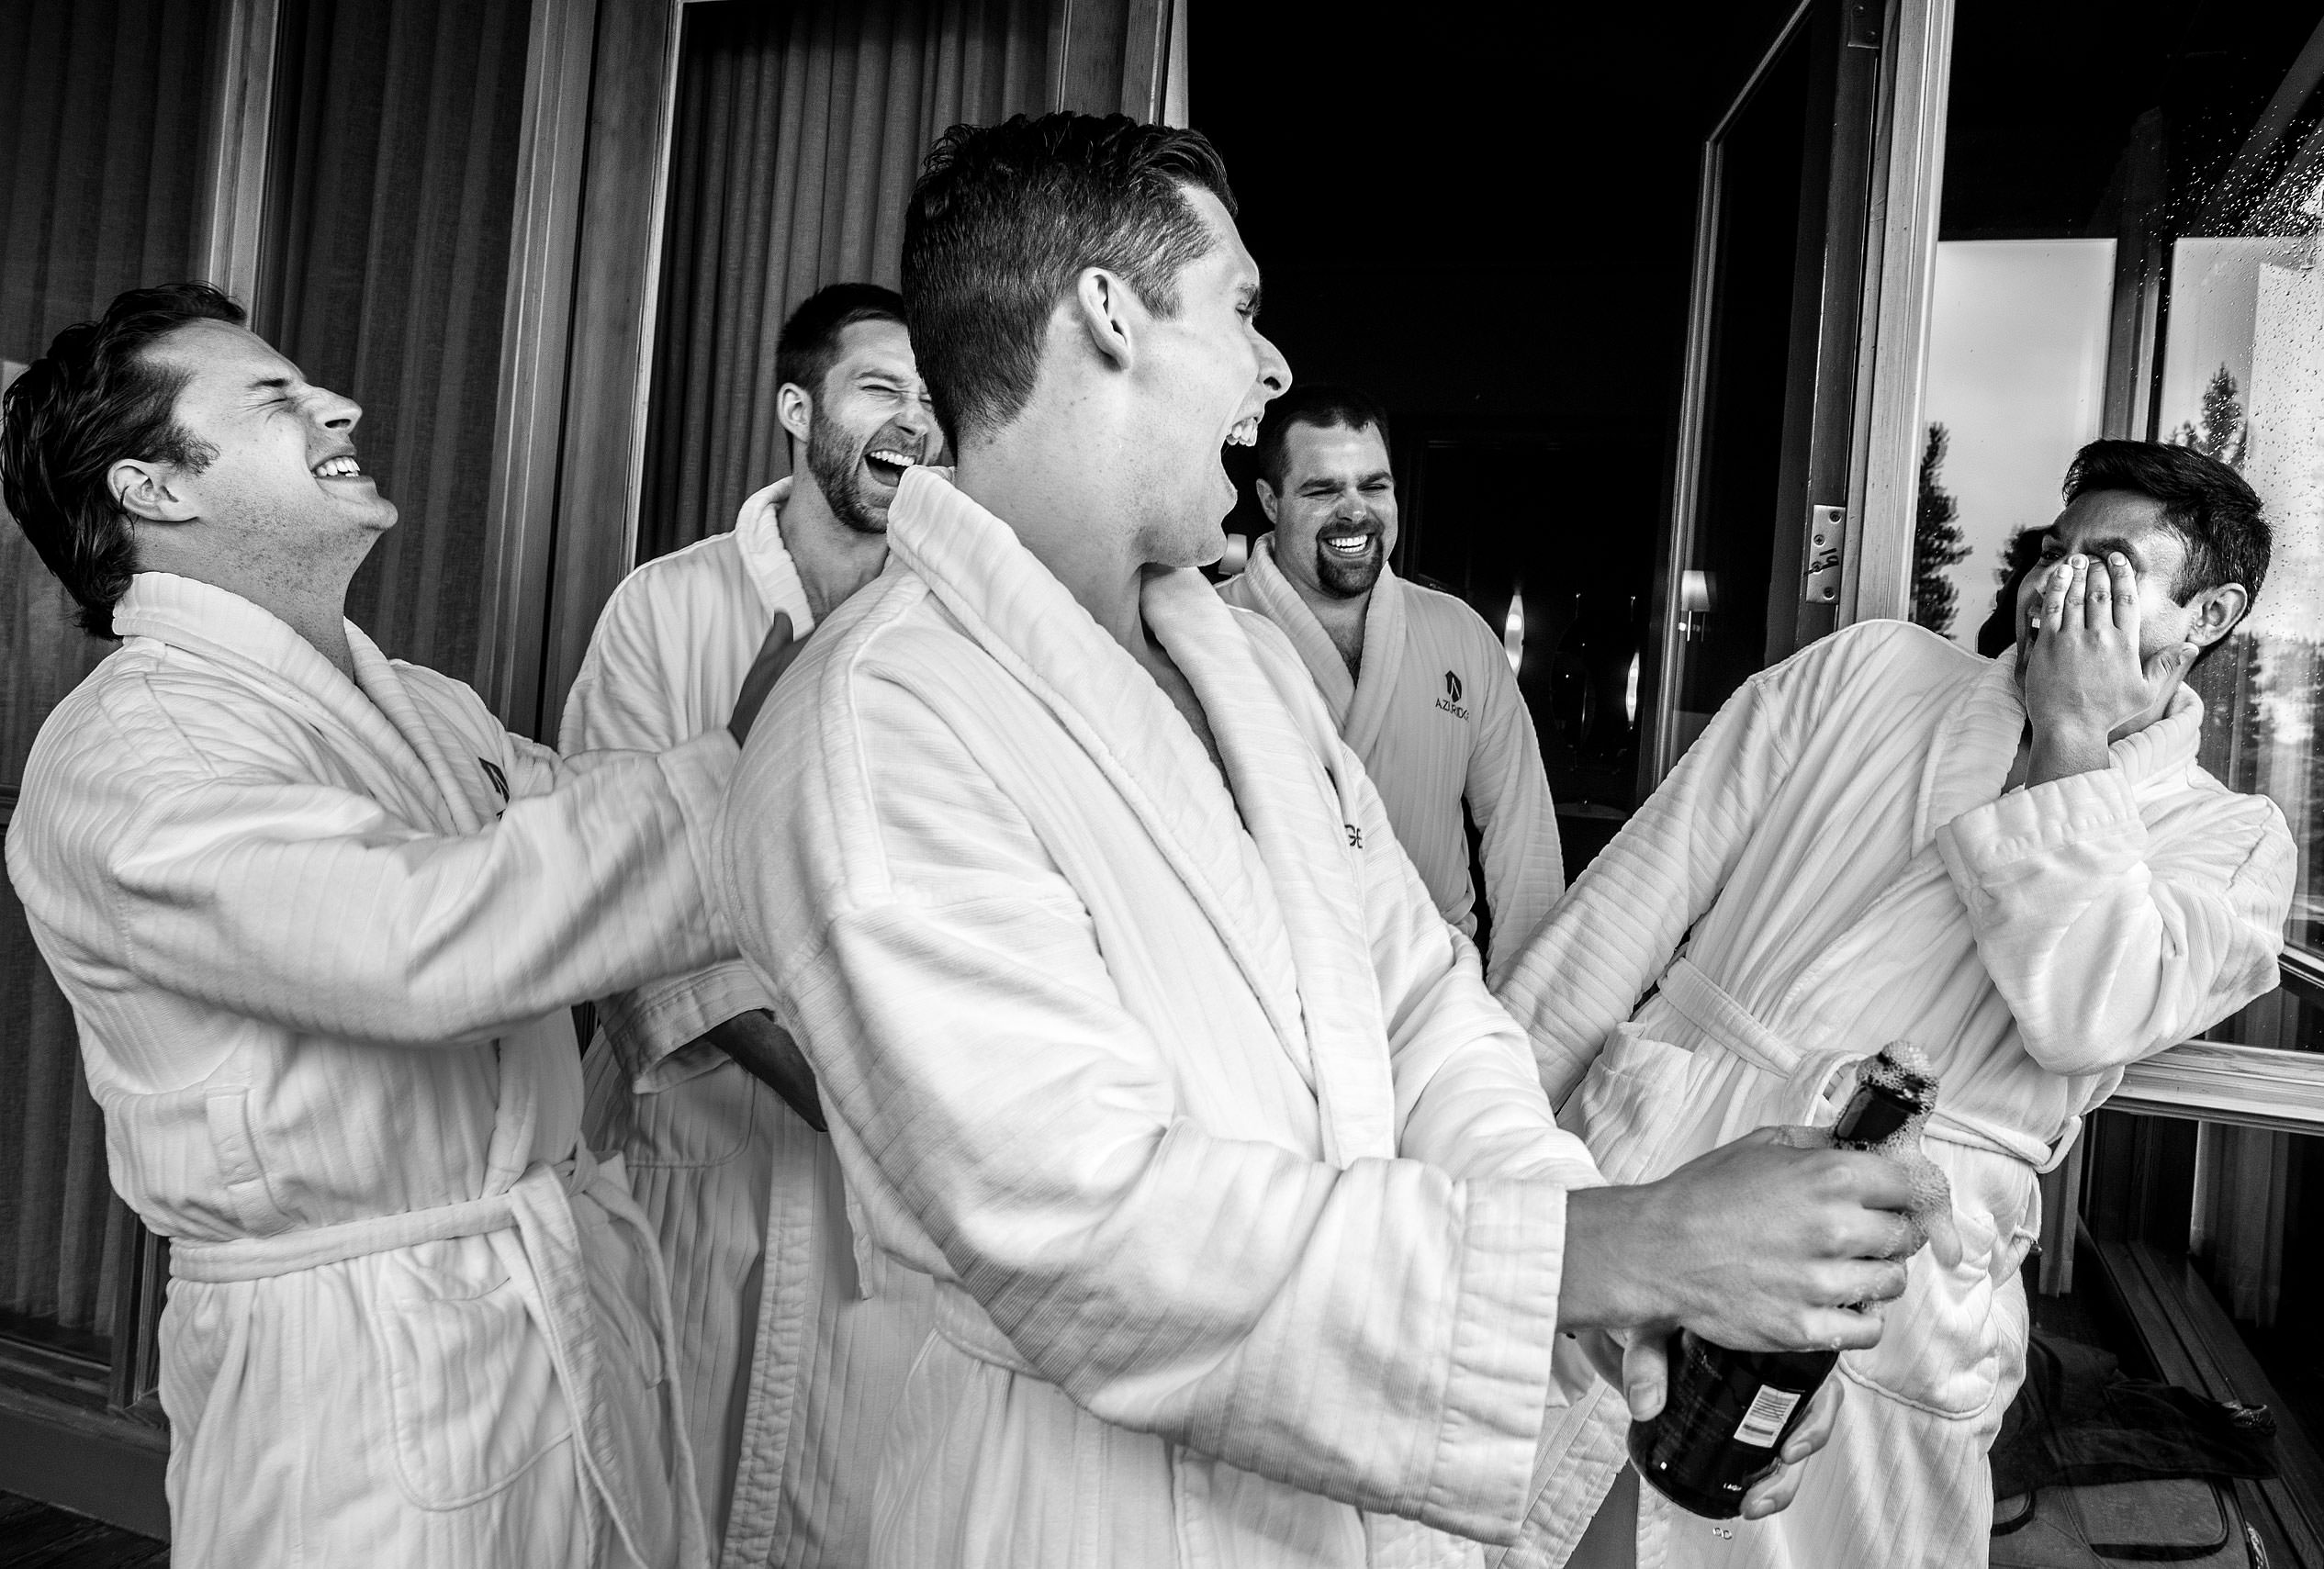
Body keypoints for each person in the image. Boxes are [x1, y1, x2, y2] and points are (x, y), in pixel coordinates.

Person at [716, 112, 1926, 1568]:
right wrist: (1617, 1248)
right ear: (1107, 312)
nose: (1271, 369)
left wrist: (1607, 1276)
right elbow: (1093, 1226)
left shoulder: (1242, 668)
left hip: (1347, 1496)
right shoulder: (881, 722)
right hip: (1066, 1513)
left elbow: (1420, 1000)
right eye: (1242, 307)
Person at [1, 284, 792, 1569]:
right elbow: (427, 943)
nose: (341, 405)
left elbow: (596, 835)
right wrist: (749, 761)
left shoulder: (419, 703)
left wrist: (780, 763)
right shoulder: (128, 753)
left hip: (550, 1292)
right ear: (151, 489)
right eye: (275, 400)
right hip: (352, 1361)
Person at [1498, 440, 2295, 1569]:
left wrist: (2072, 734)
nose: (2056, 590)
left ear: (2207, 612)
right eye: (2053, 555)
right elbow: (1622, 911)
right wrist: (1474, 1157)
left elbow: (2084, 1006)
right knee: (1512, 1516)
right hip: (1659, 1157)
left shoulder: (2233, 839)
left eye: (2107, 569)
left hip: (1897, 1270)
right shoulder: (1867, 671)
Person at [560, 281, 944, 1563]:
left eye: (935, 396)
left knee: (852, 1514)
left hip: (884, 1191)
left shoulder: (962, 627)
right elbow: (617, 886)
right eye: (881, 387)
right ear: (798, 408)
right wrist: (836, 1087)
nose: (916, 420)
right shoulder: (663, 609)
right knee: (654, 1502)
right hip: (698, 1137)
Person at [1218, 387, 1563, 971]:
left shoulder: (1460, 634)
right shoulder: (1211, 634)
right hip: (1271, 986)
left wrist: (1524, 1002)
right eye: (1322, 489)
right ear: (1269, 500)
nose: (1354, 511)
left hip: (1438, 984)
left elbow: (1520, 830)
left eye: (1374, 486)